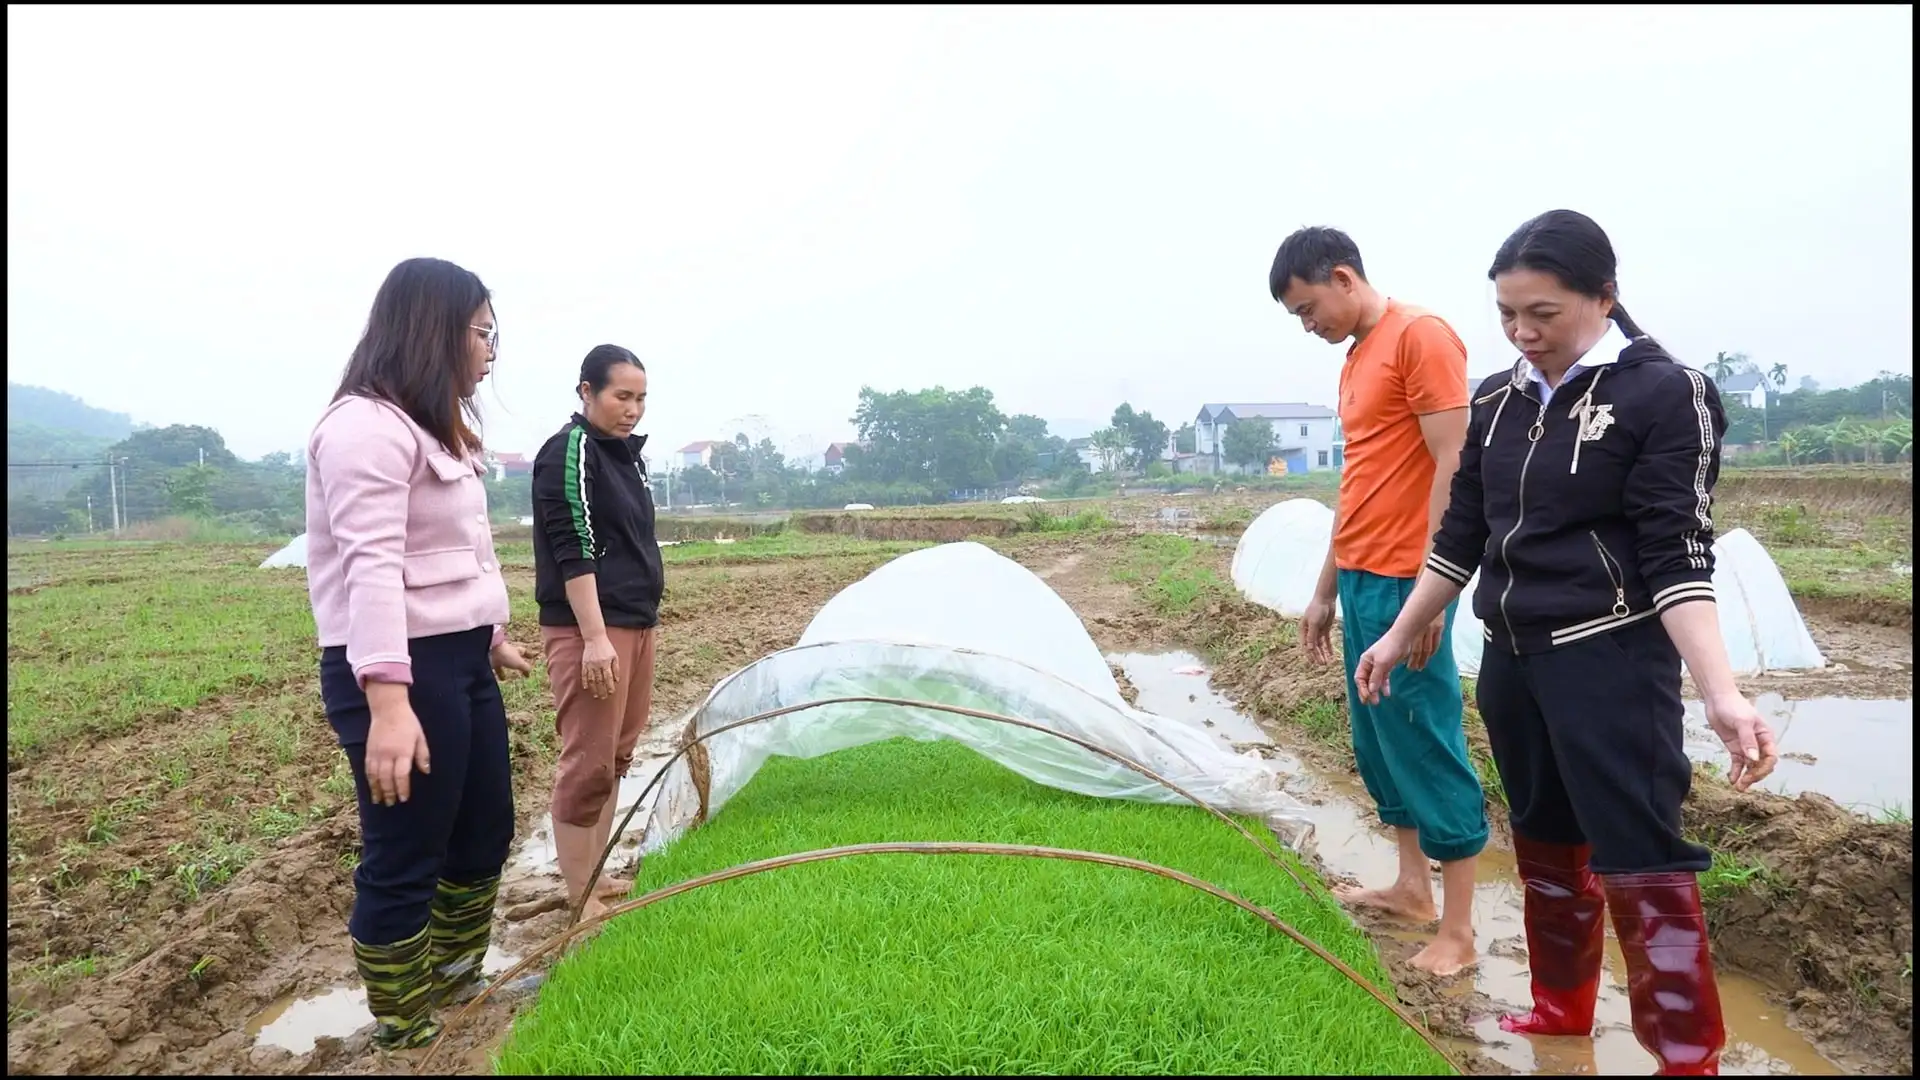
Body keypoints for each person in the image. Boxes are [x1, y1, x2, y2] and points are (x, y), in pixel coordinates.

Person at [1354, 209, 1781, 1075]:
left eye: (1542, 313)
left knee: (1640, 851)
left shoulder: (1665, 394)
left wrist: (1722, 693)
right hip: (1513, 660)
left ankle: (1686, 1056)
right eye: (1508, 314)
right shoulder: (1498, 400)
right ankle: (1560, 1012)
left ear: (1604, 297)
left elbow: (1676, 553)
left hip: (1609, 660)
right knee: (1544, 838)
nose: (1522, 332)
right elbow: (1462, 535)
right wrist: (1399, 633)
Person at [305, 257, 533, 1050]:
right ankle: (405, 1025)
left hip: (457, 661)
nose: (490, 350)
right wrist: (388, 702)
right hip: (399, 671)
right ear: (435, 331)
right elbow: (370, 566)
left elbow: (457, 551)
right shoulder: (362, 428)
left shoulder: (435, 428)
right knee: (407, 847)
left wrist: (490, 634)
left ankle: (457, 981)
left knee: (484, 830)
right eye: (481, 332)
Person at [1270, 226, 1487, 976]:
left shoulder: (1419, 336)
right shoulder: (1359, 356)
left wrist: (1432, 594)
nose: (1308, 325)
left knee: (1426, 738)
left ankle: (1458, 931)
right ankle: (1411, 887)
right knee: (1379, 739)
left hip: (1406, 581)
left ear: (1342, 276)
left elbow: (1454, 463)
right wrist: (1323, 590)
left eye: (1308, 308)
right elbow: (1358, 480)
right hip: (1362, 577)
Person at [531, 344, 665, 921]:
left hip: (634, 621)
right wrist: (593, 637)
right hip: (592, 628)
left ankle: (595, 874)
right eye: (621, 396)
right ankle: (578, 894)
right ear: (586, 391)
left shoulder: (626, 457)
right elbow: (573, 544)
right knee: (587, 759)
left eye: (641, 399)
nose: (632, 409)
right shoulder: (572, 450)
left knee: (615, 756)